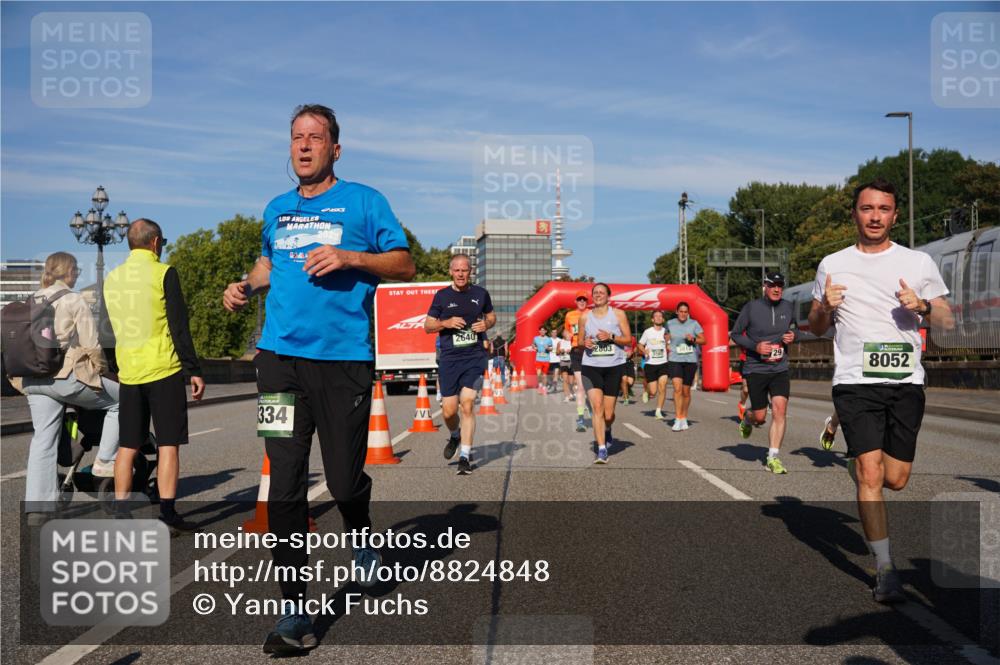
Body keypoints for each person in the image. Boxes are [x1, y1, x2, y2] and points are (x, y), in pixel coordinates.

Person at [222, 104, 415, 654]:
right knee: (283, 484)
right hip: (278, 361)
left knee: (345, 479)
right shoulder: (275, 209)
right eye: (296, 138)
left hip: (343, 361)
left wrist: (351, 257)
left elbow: (402, 264)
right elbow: (267, 263)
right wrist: (245, 284)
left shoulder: (364, 201)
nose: (304, 146)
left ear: (335, 148)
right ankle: (294, 611)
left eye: (316, 137)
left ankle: (363, 539)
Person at [808, 178, 953, 602]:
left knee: (896, 479)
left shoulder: (919, 262)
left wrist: (924, 307)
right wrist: (823, 307)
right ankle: (885, 569)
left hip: (905, 381)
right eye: (867, 208)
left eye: (884, 209)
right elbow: (816, 327)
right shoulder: (832, 263)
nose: (875, 216)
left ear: (894, 215)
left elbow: (947, 322)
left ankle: (860, 464)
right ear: (854, 213)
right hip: (854, 381)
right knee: (871, 474)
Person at [104, 220, 205, 531]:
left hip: (129, 372)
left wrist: (117, 365)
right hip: (163, 369)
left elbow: (108, 329)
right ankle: (168, 513)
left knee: (127, 445)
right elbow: (178, 325)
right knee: (168, 444)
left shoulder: (112, 277)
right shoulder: (164, 273)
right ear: (155, 242)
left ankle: (121, 512)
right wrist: (194, 370)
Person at [11, 252, 121, 525]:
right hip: (63, 378)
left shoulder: (31, 300)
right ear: (70, 271)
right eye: (76, 270)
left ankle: (38, 510)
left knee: (43, 439)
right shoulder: (73, 299)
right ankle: (105, 461)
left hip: (32, 381)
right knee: (123, 401)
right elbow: (92, 345)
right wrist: (107, 373)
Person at [424, 254, 495, 475]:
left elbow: (491, 316)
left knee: (467, 403)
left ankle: (464, 456)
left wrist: (486, 324)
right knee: (449, 411)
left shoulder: (480, 294)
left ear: (470, 271)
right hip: (449, 359)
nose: (461, 274)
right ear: (451, 272)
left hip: (474, 357)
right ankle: (455, 435)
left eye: (464, 270)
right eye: (457, 270)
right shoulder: (442, 296)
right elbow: (427, 326)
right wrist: (445, 322)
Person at [731, 274, 800, 472]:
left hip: (779, 368)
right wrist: (755, 346)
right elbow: (735, 334)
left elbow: (796, 331)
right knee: (760, 417)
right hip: (756, 368)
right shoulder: (751, 307)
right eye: (772, 286)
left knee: (780, 409)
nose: (776, 289)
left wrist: (794, 336)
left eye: (780, 286)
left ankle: (773, 457)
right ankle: (747, 418)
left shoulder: (788, 307)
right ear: (765, 287)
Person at [580, 283, 632, 464]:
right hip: (591, 366)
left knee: (608, 415)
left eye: (601, 292)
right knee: (597, 407)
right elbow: (579, 341)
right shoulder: (585, 316)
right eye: (595, 292)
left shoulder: (618, 314)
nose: (598, 295)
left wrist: (611, 337)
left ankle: (607, 429)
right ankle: (601, 450)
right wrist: (584, 343)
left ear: (608, 296)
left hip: (613, 367)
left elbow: (628, 340)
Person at [666, 301, 704, 431]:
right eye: (681, 311)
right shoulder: (670, 323)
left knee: (686, 391)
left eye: (685, 312)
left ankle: (684, 417)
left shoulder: (694, 324)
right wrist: (666, 341)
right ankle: (677, 418)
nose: (683, 314)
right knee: (677, 388)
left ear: (688, 313)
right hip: (675, 359)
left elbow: (704, 340)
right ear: (677, 312)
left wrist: (693, 339)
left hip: (690, 360)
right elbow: (666, 335)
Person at [564, 291, 590, 431]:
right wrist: (566, 334)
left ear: (587, 302)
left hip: (591, 352)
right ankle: (581, 419)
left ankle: (591, 406)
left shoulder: (592, 314)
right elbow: (565, 330)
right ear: (576, 301)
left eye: (584, 300)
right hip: (576, 352)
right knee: (580, 386)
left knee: (591, 386)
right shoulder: (570, 315)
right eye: (579, 299)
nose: (581, 302)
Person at [637, 310, 670, 420]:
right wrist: (644, 351)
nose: (658, 318)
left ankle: (658, 410)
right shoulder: (647, 332)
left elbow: (669, 346)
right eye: (656, 316)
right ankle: (646, 391)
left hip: (663, 363)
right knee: (653, 391)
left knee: (663, 386)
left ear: (663, 319)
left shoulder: (666, 332)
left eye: (660, 316)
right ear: (652, 319)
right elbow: (640, 345)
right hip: (650, 364)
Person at [532, 325, 552, 395]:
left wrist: (548, 348)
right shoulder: (536, 338)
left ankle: (544, 388)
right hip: (538, 358)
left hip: (546, 359)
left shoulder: (549, 339)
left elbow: (551, 348)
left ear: (546, 331)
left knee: (544, 375)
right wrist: (534, 347)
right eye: (541, 330)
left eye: (544, 330)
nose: (542, 331)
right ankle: (540, 385)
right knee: (538, 373)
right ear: (539, 331)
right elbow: (533, 345)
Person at [557, 329, 574, 402]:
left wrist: (571, 351)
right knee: (565, 380)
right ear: (563, 334)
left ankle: (571, 393)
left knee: (571, 381)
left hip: (571, 362)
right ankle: (567, 396)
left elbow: (576, 351)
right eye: (565, 333)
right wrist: (560, 351)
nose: (567, 334)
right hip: (563, 362)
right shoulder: (560, 342)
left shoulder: (572, 342)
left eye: (568, 332)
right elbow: (557, 353)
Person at [548, 327, 562, 392]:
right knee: (551, 374)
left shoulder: (559, 340)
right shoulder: (548, 340)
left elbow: (562, 349)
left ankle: (554, 387)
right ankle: (550, 384)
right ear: (551, 333)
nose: (554, 333)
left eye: (555, 332)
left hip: (557, 359)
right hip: (550, 359)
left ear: (557, 333)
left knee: (556, 374)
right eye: (553, 332)